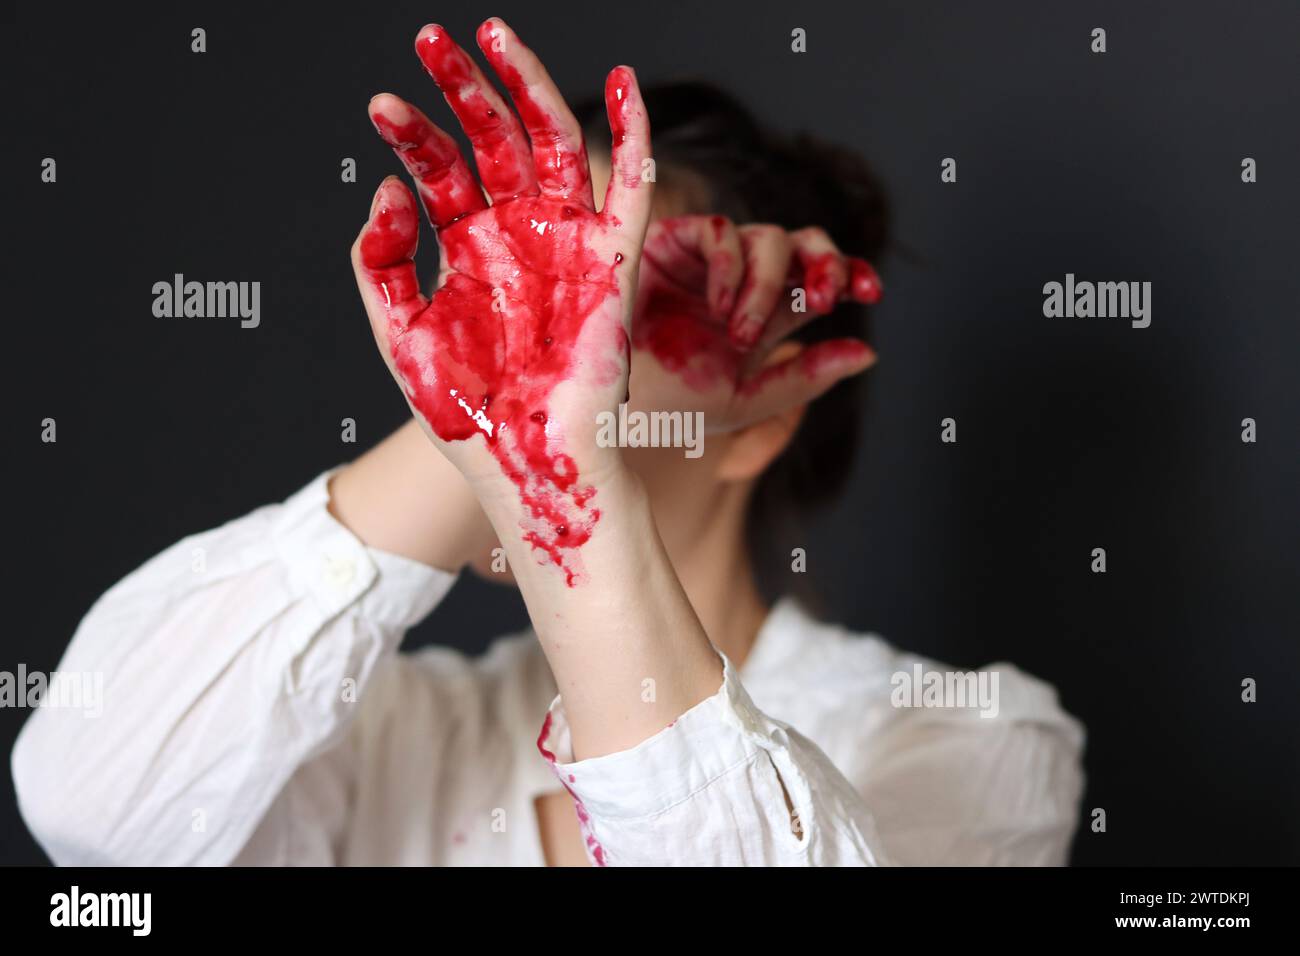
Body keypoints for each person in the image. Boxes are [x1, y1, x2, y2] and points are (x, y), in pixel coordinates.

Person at [12, 18, 1084, 867]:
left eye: (606, 299)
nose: (549, 347)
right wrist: (474, 410)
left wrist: (557, 476)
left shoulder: (964, 736)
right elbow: (91, 811)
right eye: (527, 293)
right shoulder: (386, 739)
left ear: (754, 420)